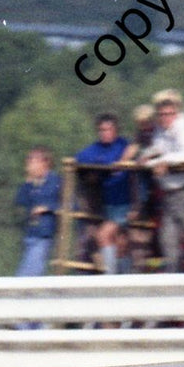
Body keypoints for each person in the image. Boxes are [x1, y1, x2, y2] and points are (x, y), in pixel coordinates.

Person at [141, 90, 184, 271]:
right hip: (171, 191)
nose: (166, 117)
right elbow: (157, 148)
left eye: (170, 113)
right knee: (168, 239)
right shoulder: (159, 130)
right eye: (162, 114)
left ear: (176, 112)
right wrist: (146, 157)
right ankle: (174, 279)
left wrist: (165, 161)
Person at [75, 113, 132, 274]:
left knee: (104, 236)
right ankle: (122, 277)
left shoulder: (123, 145)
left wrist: (121, 161)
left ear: (116, 130)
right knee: (118, 243)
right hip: (109, 205)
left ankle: (110, 277)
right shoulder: (96, 149)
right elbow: (80, 158)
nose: (105, 133)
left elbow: (135, 148)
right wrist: (102, 167)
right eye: (102, 130)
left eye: (109, 129)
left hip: (125, 204)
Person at [14, 146, 59, 278]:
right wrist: (27, 182)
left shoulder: (56, 181)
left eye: (32, 161)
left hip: (44, 235)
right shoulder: (31, 184)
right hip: (30, 234)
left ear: (44, 162)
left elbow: (70, 204)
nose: (29, 165)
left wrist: (48, 208)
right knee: (23, 274)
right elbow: (20, 200)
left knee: (28, 277)